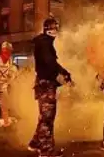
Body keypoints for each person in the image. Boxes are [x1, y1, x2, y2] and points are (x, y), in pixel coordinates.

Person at [28, 17, 72, 157]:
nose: (57, 31)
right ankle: (46, 151)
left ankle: (35, 143)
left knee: (44, 117)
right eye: (55, 28)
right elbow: (49, 62)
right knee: (48, 118)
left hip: (44, 83)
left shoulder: (43, 43)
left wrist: (64, 72)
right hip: (46, 84)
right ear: (49, 29)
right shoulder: (45, 43)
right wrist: (60, 75)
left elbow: (51, 62)